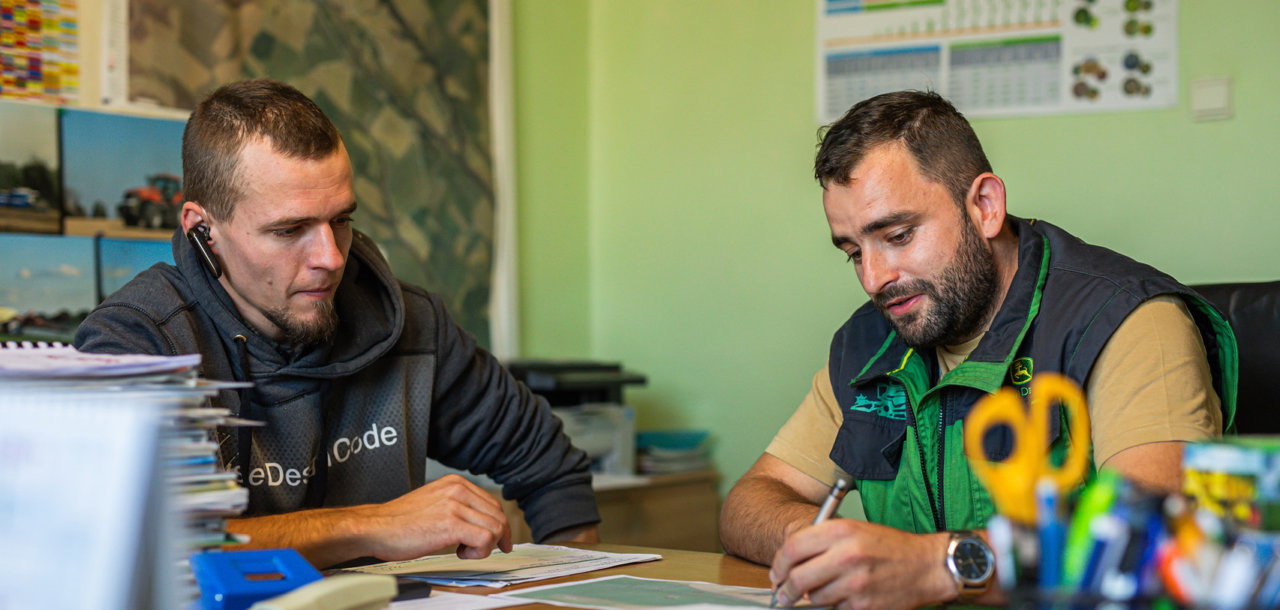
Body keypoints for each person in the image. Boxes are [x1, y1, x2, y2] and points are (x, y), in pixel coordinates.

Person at [719, 90, 1236, 608]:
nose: (874, 279)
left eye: (898, 236)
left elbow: (1151, 542)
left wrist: (937, 565)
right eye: (854, 252)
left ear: (985, 206)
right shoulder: (868, 343)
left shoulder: (1126, 320)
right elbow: (749, 502)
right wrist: (820, 542)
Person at [75, 79, 600, 568]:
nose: (330, 258)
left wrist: (574, 591)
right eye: (290, 230)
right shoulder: (137, 346)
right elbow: (152, 546)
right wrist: (373, 526)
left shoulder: (411, 322)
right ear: (203, 229)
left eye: (341, 220)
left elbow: (551, 468)